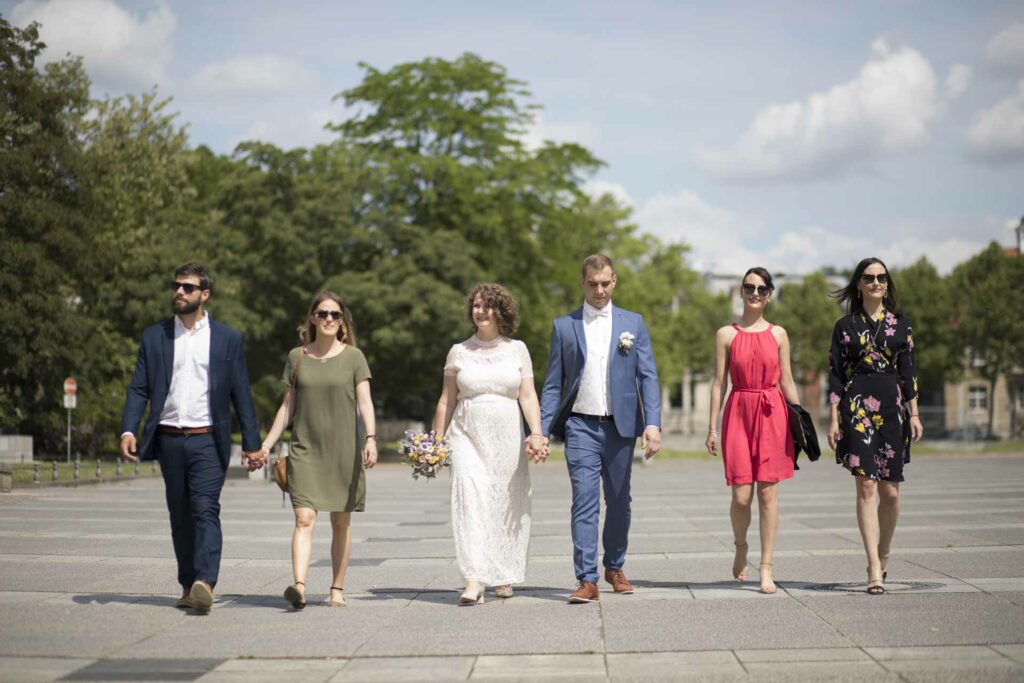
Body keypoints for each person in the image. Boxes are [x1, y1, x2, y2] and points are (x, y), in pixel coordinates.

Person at [119, 263, 262, 614]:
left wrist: (253, 443)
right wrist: (128, 429)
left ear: (204, 294)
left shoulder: (227, 338)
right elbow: (139, 388)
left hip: (207, 440)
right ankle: (187, 585)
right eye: (176, 286)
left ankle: (205, 582)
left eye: (187, 287)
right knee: (180, 515)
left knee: (204, 509)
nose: (179, 292)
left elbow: (240, 393)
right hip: (169, 439)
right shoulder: (155, 337)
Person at [540, 254, 662, 604]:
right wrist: (541, 430)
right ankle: (586, 579)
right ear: (582, 283)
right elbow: (552, 384)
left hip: (621, 428)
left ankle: (614, 566)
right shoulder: (564, 326)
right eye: (592, 283)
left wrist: (652, 423)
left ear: (615, 281)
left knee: (620, 501)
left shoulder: (633, 323)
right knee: (584, 501)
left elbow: (648, 377)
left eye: (605, 283)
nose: (599, 290)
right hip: (580, 425)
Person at [260, 291, 377, 609]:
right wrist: (267, 445)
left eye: (335, 315)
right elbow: (287, 407)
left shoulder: (354, 357)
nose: (328, 319)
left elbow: (365, 401)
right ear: (312, 317)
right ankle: (298, 586)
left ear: (342, 321)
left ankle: (336, 589)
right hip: (305, 449)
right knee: (304, 517)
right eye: (322, 313)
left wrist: (371, 439)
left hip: (343, 451)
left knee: (341, 521)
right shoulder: (297, 357)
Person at [432, 284, 546, 605]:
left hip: (506, 433)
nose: (481, 311)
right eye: (477, 306)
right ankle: (474, 578)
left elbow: (527, 395)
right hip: (466, 433)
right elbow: (447, 400)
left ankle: (502, 571)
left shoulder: (517, 349)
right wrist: (435, 442)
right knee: (470, 498)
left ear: (501, 311)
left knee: (504, 501)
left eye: (488, 306)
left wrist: (536, 432)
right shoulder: (459, 351)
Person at [827, 258, 923, 595]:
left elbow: (908, 373)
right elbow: (836, 375)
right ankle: (872, 566)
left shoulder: (900, 324)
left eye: (881, 277)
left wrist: (914, 413)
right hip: (857, 407)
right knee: (866, 486)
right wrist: (833, 417)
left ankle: (884, 552)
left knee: (891, 493)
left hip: (892, 407)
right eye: (869, 277)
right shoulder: (845, 326)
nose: (876, 282)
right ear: (859, 284)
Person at [705, 267, 800, 594]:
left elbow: (787, 379)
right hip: (739, 413)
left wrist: (799, 421)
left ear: (770, 294)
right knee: (741, 497)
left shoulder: (779, 334)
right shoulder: (725, 335)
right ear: (741, 291)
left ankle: (766, 568)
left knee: (768, 493)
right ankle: (741, 545)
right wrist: (712, 427)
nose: (755, 293)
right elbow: (719, 383)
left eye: (761, 288)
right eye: (749, 287)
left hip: (773, 413)